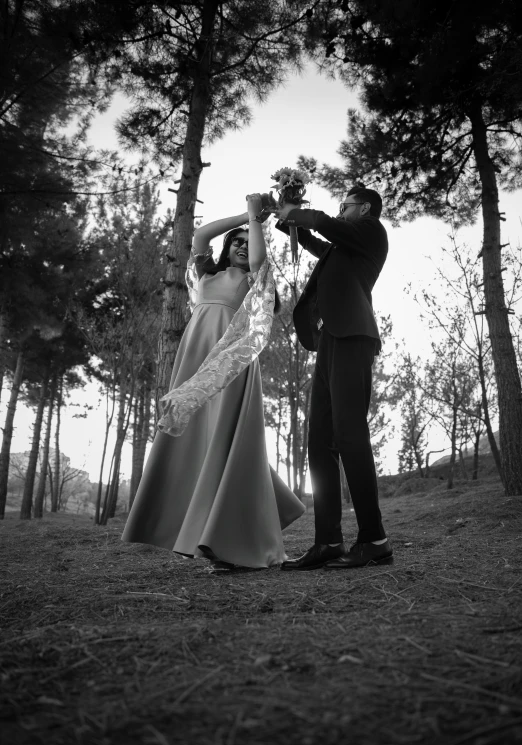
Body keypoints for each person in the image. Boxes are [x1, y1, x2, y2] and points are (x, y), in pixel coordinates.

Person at [122, 194, 305, 570]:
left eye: (246, 241)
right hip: (194, 362)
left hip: (229, 368)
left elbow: (257, 258)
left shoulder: (256, 281)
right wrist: (243, 214)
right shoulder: (205, 275)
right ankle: (205, 531)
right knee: (199, 444)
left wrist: (257, 222)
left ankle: (227, 542)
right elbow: (201, 235)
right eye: (235, 242)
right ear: (227, 248)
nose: (241, 246)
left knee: (229, 441)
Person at [275, 186, 393, 570]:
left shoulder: (371, 231)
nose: (340, 212)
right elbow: (312, 238)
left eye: (345, 206)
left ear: (364, 208)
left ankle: (374, 539)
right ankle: (328, 541)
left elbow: (322, 224)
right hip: (330, 339)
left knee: (349, 435)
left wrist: (298, 210)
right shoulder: (341, 246)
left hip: (355, 337)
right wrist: (280, 213)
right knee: (319, 441)